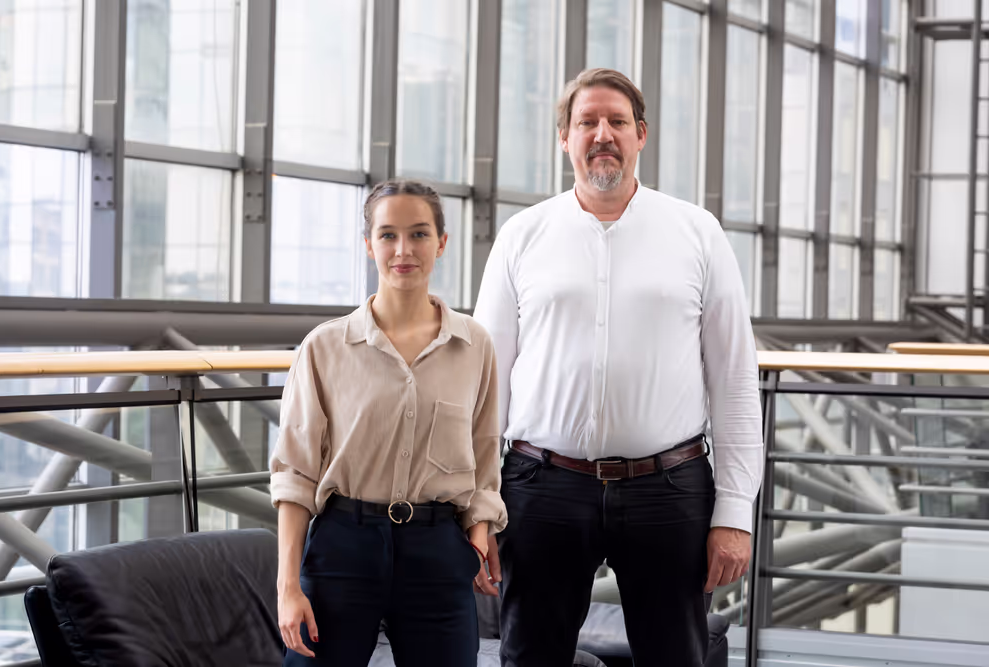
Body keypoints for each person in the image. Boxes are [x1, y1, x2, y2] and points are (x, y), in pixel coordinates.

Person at [473, 68, 764, 667]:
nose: (601, 134)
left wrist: (735, 513)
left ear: (641, 136)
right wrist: (477, 502)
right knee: (530, 656)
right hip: (540, 485)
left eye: (616, 122)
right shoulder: (522, 235)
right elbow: (484, 384)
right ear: (565, 139)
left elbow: (734, 381)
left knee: (674, 658)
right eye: (586, 122)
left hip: (670, 488)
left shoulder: (697, 233)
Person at [270, 179, 506, 667]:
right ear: (368, 244)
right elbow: (295, 476)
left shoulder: (474, 346)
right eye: (388, 235)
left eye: (419, 235)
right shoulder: (324, 348)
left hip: (438, 550)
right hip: (341, 547)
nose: (404, 250)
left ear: (442, 243)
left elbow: (484, 460)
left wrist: (480, 531)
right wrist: (288, 588)